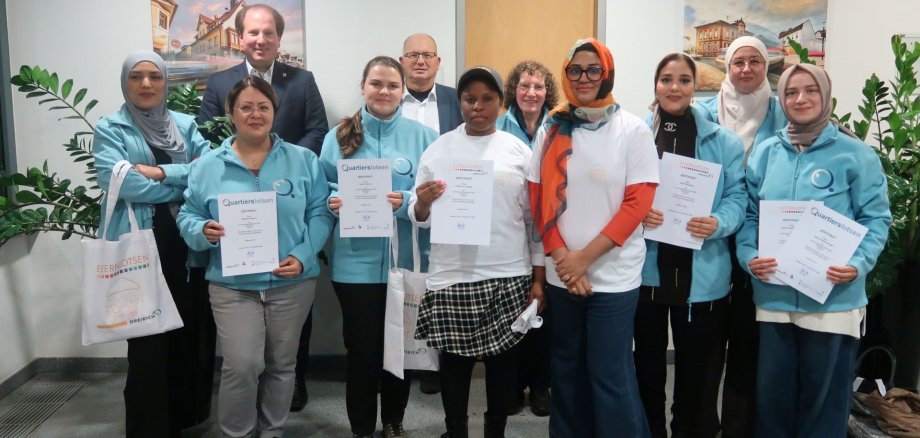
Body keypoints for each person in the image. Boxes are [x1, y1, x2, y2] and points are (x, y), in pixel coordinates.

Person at [736, 63, 891, 437]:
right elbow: (750, 215)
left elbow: (876, 218)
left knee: (824, 402)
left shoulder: (855, 154)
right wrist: (748, 256)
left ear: (826, 95)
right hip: (774, 297)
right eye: (791, 92)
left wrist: (858, 263)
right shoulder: (766, 152)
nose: (800, 99)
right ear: (782, 99)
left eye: (810, 90)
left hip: (832, 299)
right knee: (773, 398)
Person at [178, 76, 332, 438]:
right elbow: (188, 215)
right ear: (231, 113)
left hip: (292, 282)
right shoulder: (207, 166)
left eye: (263, 107)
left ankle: (272, 430)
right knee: (242, 365)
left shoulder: (303, 160)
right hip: (232, 285)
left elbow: (321, 212)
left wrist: (303, 254)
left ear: (274, 112)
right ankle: (238, 433)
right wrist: (201, 231)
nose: (255, 114)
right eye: (245, 107)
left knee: (282, 364)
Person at [196, 3, 329, 412]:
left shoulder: (302, 80)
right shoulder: (220, 83)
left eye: (268, 32)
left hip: (289, 208)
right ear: (241, 37)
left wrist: (281, 165)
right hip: (238, 225)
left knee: (288, 333)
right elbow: (206, 138)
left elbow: (317, 130)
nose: (260, 39)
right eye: (253, 32)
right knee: (243, 356)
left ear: (278, 38)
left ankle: (295, 382)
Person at [527, 38, 659, 438]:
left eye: (593, 69)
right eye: (575, 70)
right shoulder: (551, 127)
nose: (583, 78)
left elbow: (637, 205)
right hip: (562, 274)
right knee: (566, 369)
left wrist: (582, 260)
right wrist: (563, 259)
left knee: (609, 373)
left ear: (607, 73)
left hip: (613, 277)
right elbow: (537, 199)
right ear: (565, 74)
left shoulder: (632, 129)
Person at [410, 65, 543, 438]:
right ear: (460, 103)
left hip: (508, 273)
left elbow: (533, 223)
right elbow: (419, 217)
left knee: (503, 366)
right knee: (454, 367)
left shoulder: (518, 150)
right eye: (470, 99)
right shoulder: (439, 149)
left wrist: (538, 278)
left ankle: (495, 430)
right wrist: (422, 203)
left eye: (487, 99)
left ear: (501, 103)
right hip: (453, 274)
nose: (478, 107)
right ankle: (456, 430)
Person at [92, 50, 215, 438]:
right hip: (140, 248)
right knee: (147, 343)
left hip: (186, 249)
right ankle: (149, 428)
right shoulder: (111, 128)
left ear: (165, 82)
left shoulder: (185, 125)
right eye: (136, 76)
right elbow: (122, 182)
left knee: (185, 335)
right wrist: (179, 185)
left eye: (155, 76)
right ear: (125, 82)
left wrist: (162, 172)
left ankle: (182, 419)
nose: (146, 84)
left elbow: (208, 172)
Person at [318, 56, 438, 438]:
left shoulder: (425, 138)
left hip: (406, 263)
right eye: (376, 84)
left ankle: (394, 421)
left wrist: (405, 202)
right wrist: (333, 201)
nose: (384, 91)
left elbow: (433, 199)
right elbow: (321, 191)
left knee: (400, 348)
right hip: (355, 265)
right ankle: (361, 429)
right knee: (363, 351)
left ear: (403, 91)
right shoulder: (337, 137)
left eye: (392, 85)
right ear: (363, 87)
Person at [634, 53, 745, 438]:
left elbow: (737, 198)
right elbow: (620, 194)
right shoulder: (635, 137)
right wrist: (638, 214)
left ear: (695, 86)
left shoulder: (724, 142)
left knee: (696, 374)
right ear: (656, 85)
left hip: (703, 276)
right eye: (666, 79)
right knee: (646, 369)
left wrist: (718, 223)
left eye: (684, 80)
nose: (674, 87)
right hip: (646, 274)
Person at [695, 36, 787, 437]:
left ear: (766, 66)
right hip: (711, 238)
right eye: (738, 62)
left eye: (755, 61)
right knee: (706, 339)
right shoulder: (702, 114)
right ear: (727, 67)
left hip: (762, 240)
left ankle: (739, 426)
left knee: (749, 339)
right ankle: (702, 423)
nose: (746, 69)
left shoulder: (783, 113)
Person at [496, 60, 558, 417]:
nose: (531, 93)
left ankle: (541, 386)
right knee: (513, 311)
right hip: (512, 235)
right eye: (524, 86)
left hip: (553, 233)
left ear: (547, 91)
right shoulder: (497, 128)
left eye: (538, 86)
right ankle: (513, 385)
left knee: (545, 312)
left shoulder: (561, 127)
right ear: (513, 91)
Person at [400, 33, 463, 135]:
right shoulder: (389, 100)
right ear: (402, 62)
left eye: (427, 55)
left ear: (437, 63)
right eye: (413, 55)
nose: (420, 61)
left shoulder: (458, 99)